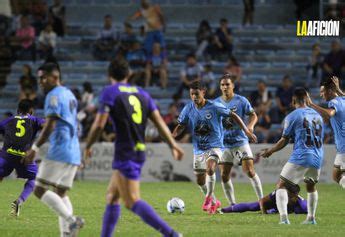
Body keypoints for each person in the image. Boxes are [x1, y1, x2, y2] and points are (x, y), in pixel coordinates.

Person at [83, 59, 184, 237]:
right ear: (128, 74)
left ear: (109, 76)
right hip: (138, 149)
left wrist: (88, 145)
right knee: (112, 197)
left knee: (131, 201)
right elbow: (159, 122)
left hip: (125, 151)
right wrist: (173, 145)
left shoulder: (110, 92)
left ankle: (172, 234)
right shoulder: (142, 93)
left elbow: (99, 124)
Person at [172, 81, 256, 214]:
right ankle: (215, 201)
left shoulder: (214, 106)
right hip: (199, 148)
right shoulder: (188, 108)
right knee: (200, 181)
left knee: (210, 169)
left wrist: (246, 130)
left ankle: (208, 198)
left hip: (215, 146)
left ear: (203, 93)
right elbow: (181, 125)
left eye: (197, 94)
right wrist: (173, 136)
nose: (194, 97)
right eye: (192, 94)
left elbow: (233, 115)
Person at [23, 63, 84, 237]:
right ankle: (67, 234)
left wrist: (35, 148)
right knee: (61, 193)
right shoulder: (69, 94)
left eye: (44, 77)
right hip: (73, 149)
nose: (41, 81)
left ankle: (72, 221)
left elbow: (50, 124)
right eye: (39, 78)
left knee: (39, 189)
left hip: (60, 149)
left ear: (55, 77)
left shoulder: (53, 96)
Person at [261, 88, 324, 225]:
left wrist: (270, 151)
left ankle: (284, 219)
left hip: (302, 155)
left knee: (281, 185)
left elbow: (284, 140)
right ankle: (311, 218)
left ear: (293, 100)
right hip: (318, 157)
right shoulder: (318, 116)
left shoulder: (293, 116)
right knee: (311, 187)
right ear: (307, 99)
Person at [214, 74, 263, 206]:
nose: (225, 87)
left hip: (240, 141)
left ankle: (262, 201)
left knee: (250, 171)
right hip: (223, 145)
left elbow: (253, 115)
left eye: (227, 84)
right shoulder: (215, 103)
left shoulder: (241, 101)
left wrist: (250, 126)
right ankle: (232, 204)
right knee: (224, 175)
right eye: (222, 85)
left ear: (233, 86)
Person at [0, 99, 44, 217]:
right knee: (35, 178)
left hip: (6, 155)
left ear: (18, 110)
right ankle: (19, 201)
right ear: (31, 110)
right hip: (24, 157)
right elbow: (47, 126)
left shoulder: (9, 120)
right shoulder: (34, 120)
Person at [307, 76, 345, 188]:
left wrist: (312, 105)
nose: (321, 95)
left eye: (323, 92)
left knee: (338, 175)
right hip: (342, 147)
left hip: (344, 147)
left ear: (329, 91)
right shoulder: (343, 99)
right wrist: (338, 89)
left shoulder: (333, 102)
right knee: (336, 176)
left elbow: (329, 113)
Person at [221, 187, 307, 215]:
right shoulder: (279, 193)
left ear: (296, 196)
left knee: (275, 211)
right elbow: (262, 201)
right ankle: (224, 210)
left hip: (281, 209)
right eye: (287, 194)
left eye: (290, 196)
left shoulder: (303, 206)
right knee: (254, 206)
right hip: (274, 203)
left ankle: (272, 211)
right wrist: (264, 212)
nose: (287, 197)